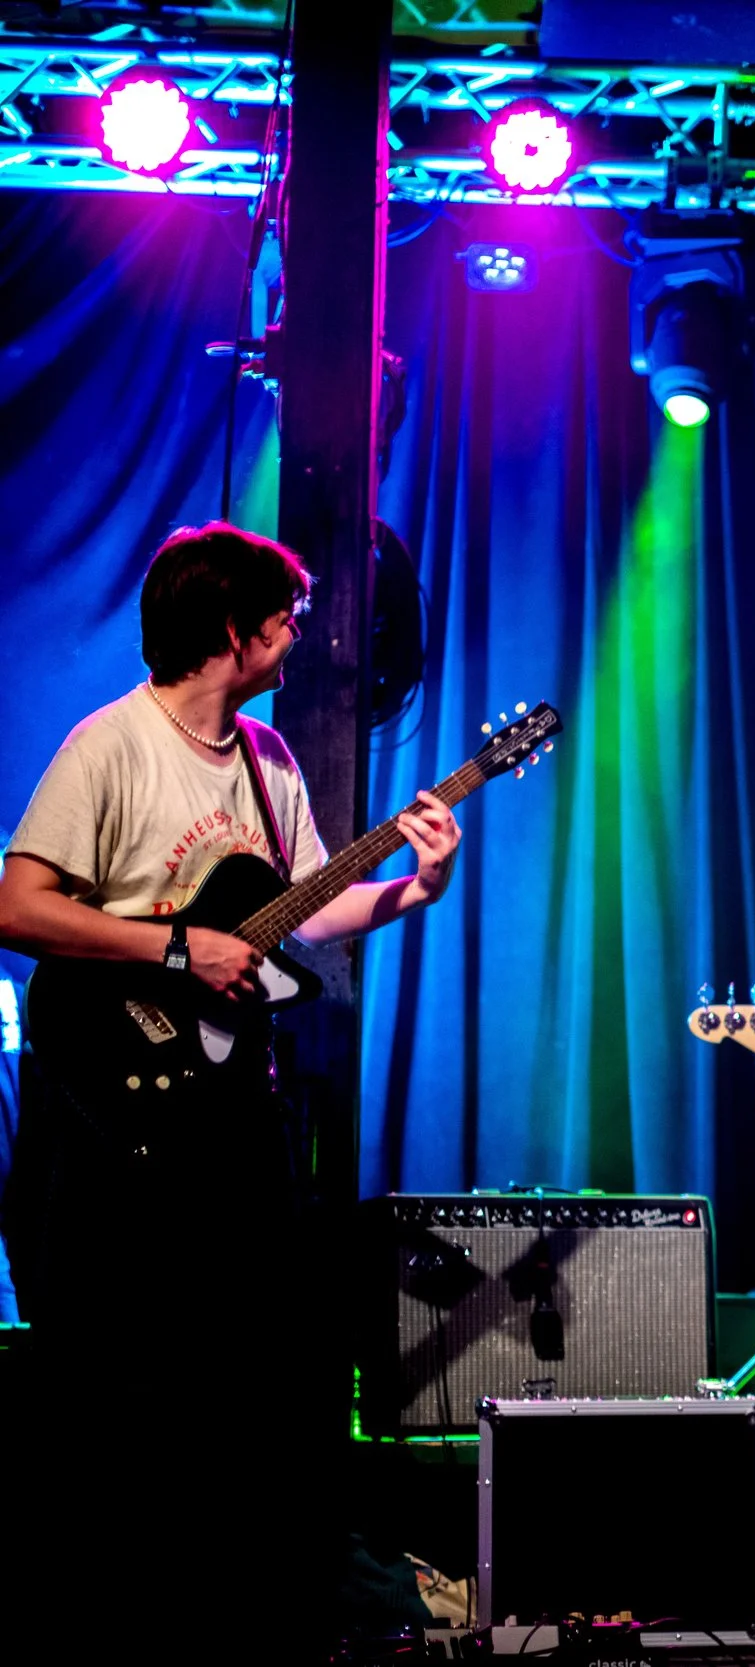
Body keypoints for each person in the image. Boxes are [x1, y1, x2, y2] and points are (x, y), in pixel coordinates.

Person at [0, 522, 462, 1647]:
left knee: (254, 1358)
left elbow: (307, 906)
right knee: (116, 1369)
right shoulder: (109, 745)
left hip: (225, 1103)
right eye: (284, 617)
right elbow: (17, 908)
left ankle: (261, 1595)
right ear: (229, 630)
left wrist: (417, 886)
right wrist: (177, 948)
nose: (300, 633)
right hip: (105, 1100)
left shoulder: (269, 759)